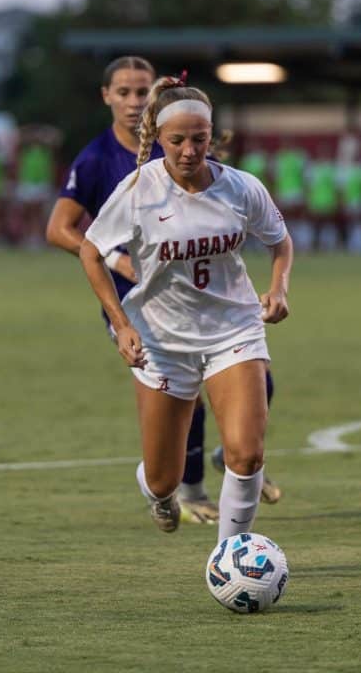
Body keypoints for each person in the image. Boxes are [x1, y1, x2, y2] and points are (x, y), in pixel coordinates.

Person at [77, 73, 293, 543]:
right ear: (158, 138)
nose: (190, 150)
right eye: (178, 140)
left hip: (233, 330)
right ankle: (158, 496)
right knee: (163, 478)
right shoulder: (138, 190)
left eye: (200, 139)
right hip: (161, 338)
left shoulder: (241, 187)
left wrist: (278, 289)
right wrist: (122, 325)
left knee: (246, 454)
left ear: (212, 137)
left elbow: (280, 241)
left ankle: (232, 552)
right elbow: (90, 251)